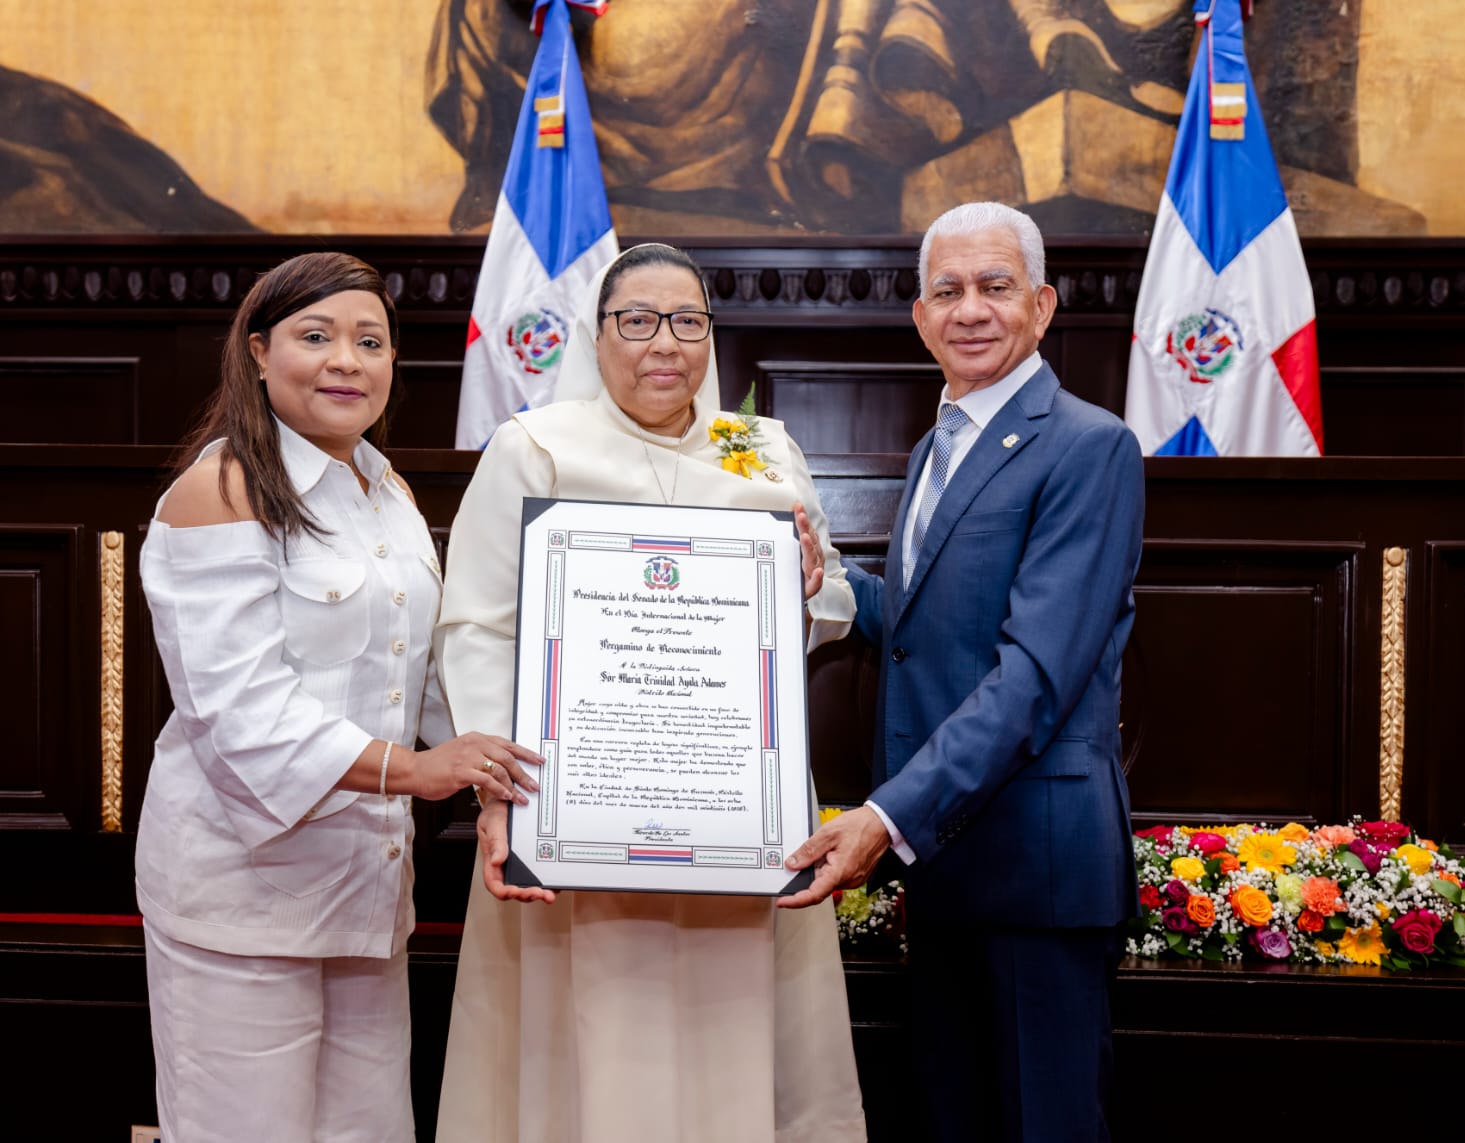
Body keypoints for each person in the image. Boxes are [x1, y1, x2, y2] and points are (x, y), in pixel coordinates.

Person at [434, 243, 867, 1143]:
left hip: (731, 807)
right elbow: (477, 626)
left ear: (710, 336)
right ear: (597, 337)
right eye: (636, 320)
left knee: (738, 1043)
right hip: (575, 809)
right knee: (592, 1045)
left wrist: (812, 582)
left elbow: (830, 609)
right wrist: (499, 791)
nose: (662, 342)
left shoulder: (757, 448)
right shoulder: (537, 445)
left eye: (688, 321)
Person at [135, 251, 541, 1143]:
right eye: (315, 337)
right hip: (243, 896)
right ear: (256, 352)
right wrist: (420, 770)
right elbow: (242, 713)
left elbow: (423, 672)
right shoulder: (221, 489)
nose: (346, 361)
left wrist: (515, 779)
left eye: (370, 340)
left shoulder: (383, 488)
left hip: (364, 890)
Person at [779, 202, 1144, 1141]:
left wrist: (887, 815)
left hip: (1035, 868)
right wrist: (832, 581)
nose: (970, 309)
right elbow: (923, 625)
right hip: (943, 865)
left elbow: (1033, 673)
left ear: (1043, 305)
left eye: (995, 287)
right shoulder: (937, 442)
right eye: (947, 290)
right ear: (919, 315)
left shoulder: (1088, 444)